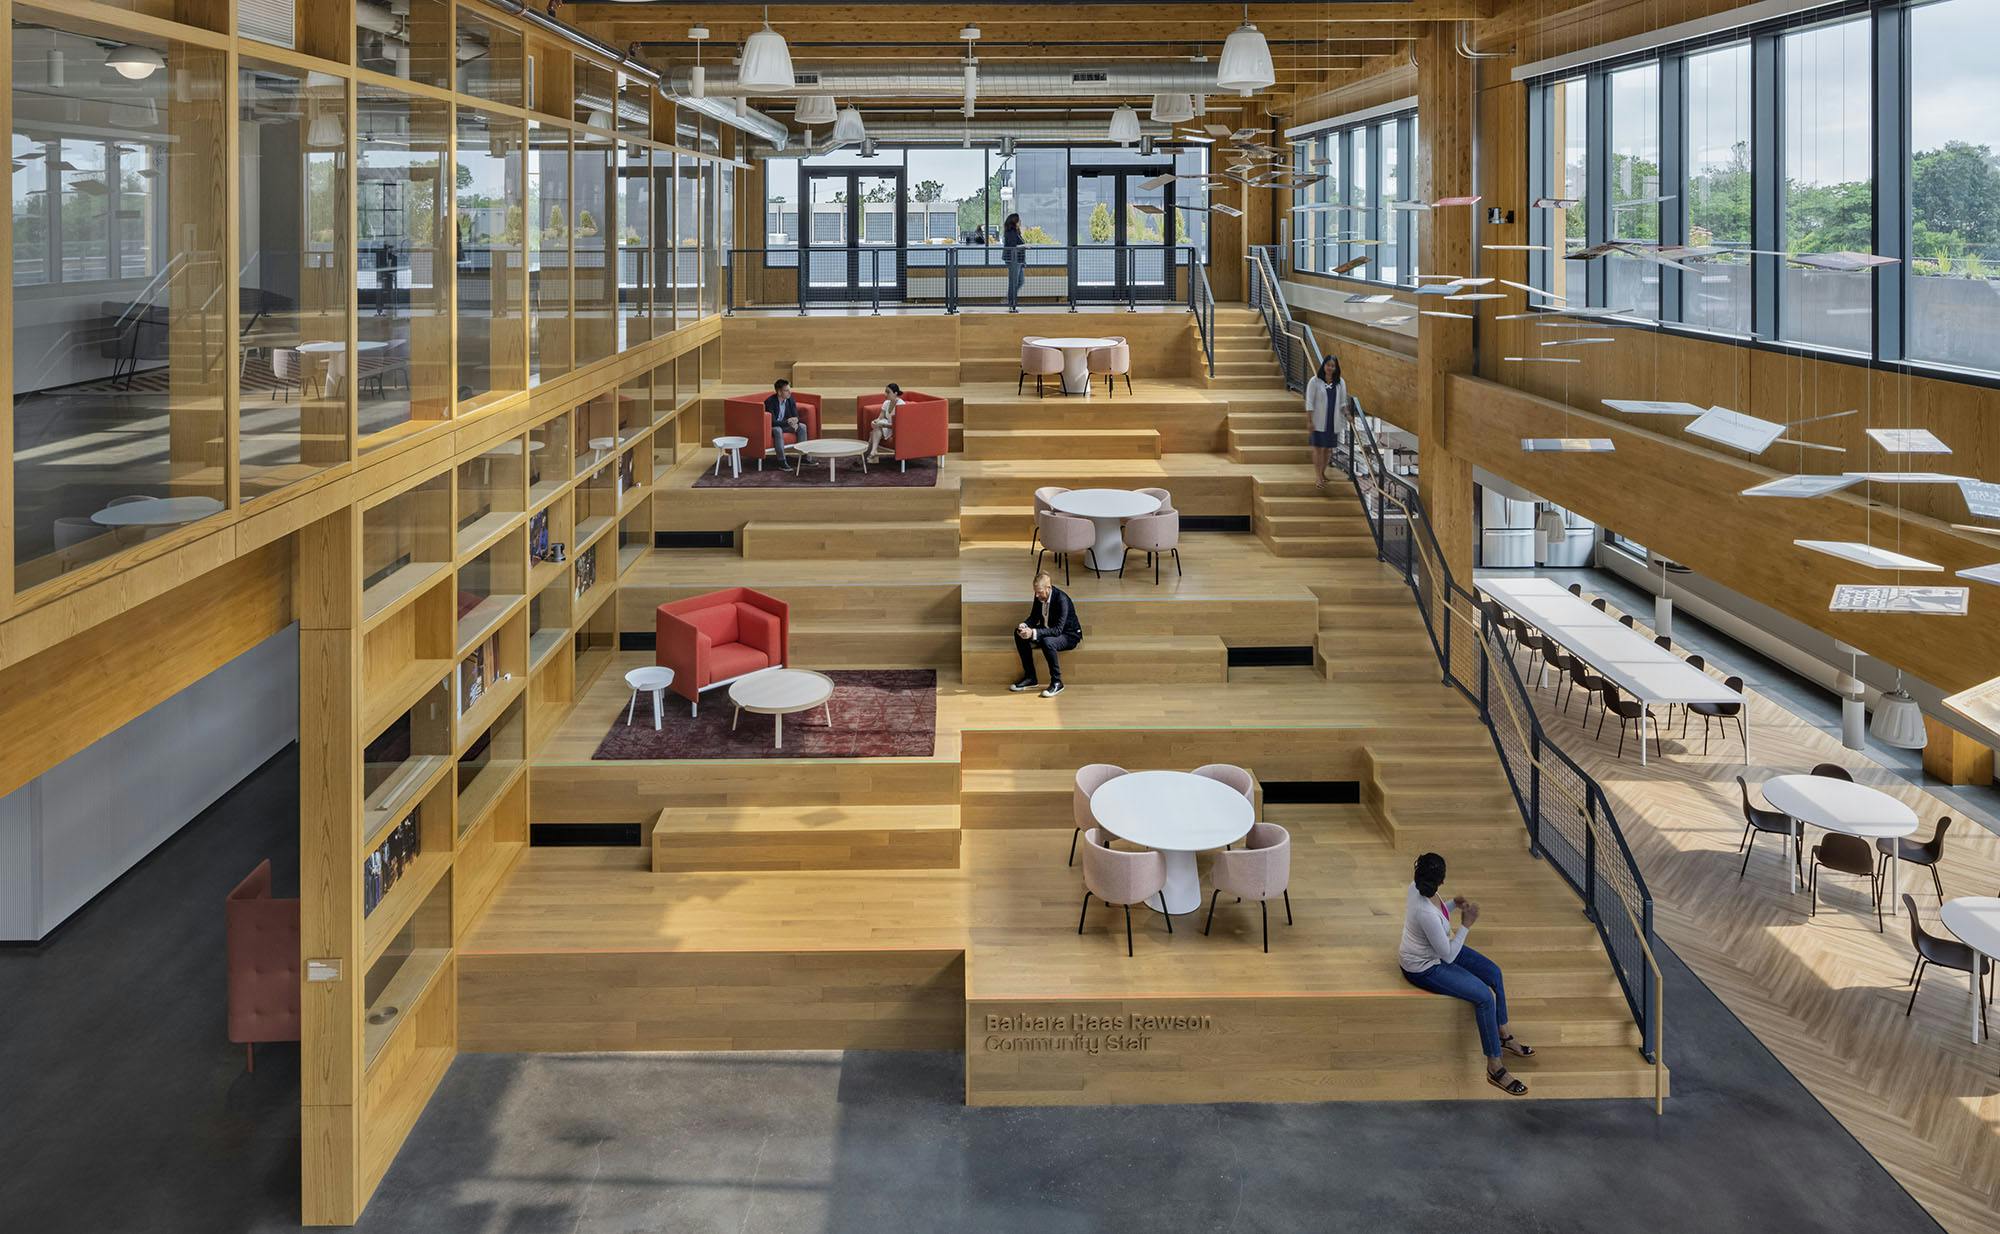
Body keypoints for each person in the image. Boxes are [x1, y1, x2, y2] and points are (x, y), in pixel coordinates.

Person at [1398, 852, 1534, 1095]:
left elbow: (1437, 916)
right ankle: (1494, 1066)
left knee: (1494, 973)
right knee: (1484, 997)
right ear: (1441, 880)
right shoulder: (1425, 913)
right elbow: (1448, 955)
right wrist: (1466, 924)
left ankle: (1502, 1033)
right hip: (1425, 967)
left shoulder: (1417, 887)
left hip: (1439, 948)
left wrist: (1451, 904)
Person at [1011, 572, 1082, 698]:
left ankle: (1057, 682)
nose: (1037, 595)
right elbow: (1034, 617)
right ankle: (1031, 677)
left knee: (1047, 642)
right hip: (1048, 629)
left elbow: (1058, 630)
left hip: (1069, 635)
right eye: (1035, 592)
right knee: (1018, 634)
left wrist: (1033, 632)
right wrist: (1025, 625)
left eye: (1039, 592)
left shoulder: (1062, 599)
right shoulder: (1039, 597)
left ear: (1048, 588)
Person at [1305, 354, 1350, 492]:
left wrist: (1347, 414)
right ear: (1323, 365)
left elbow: (1343, 402)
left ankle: (1323, 472)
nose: (1330, 368)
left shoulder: (1340, 382)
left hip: (1332, 421)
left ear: (1336, 368)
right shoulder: (1315, 381)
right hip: (1318, 421)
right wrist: (1309, 420)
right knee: (1318, 449)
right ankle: (1318, 476)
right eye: (1328, 365)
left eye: (1333, 366)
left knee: (1328, 449)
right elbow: (1309, 402)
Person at [763, 378, 811, 470]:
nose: (789, 392)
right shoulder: (769, 402)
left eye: (790, 390)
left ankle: (804, 457)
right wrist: (789, 422)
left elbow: (795, 416)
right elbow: (772, 422)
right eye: (786, 390)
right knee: (778, 430)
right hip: (772, 427)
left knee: (802, 427)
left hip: (785, 425)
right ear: (779, 392)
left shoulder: (790, 400)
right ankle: (782, 461)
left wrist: (795, 421)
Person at [864, 382, 903, 464]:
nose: (885, 394)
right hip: (887, 425)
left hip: (896, 429)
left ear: (895, 393)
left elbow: (900, 425)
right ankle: (872, 454)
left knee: (873, 433)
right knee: (876, 427)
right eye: (885, 391)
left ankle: (868, 455)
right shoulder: (886, 403)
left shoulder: (901, 404)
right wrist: (875, 421)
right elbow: (880, 417)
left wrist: (883, 424)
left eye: (888, 392)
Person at [1002, 213, 1027, 312]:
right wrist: (1025, 246)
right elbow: (1013, 246)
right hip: (1013, 260)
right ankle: (1012, 304)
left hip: (1019, 260)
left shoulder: (1017, 231)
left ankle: (1010, 299)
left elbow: (1018, 244)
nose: (1020, 222)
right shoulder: (1010, 232)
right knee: (1014, 282)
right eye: (1018, 220)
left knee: (1020, 281)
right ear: (1014, 221)